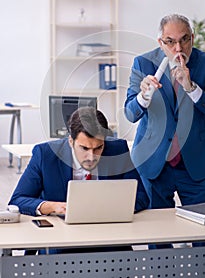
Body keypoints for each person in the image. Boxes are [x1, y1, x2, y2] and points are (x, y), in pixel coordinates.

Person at [9, 106, 149, 253]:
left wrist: (110, 208)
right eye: (84, 148)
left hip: (109, 239)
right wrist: (53, 206)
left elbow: (141, 197)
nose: (91, 156)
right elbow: (18, 200)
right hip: (61, 242)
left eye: (98, 148)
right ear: (71, 141)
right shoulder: (45, 155)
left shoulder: (117, 149)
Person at [124, 14, 205, 212]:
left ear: (192, 38)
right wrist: (143, 97)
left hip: (195, 164)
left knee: (202, 233)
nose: (178, 48)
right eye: (170, 42)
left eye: (184, 40)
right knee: (157, 235)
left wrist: (191, 88)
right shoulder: (143, 63)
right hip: (153, 163)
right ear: (160, 42)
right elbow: (130, 114)